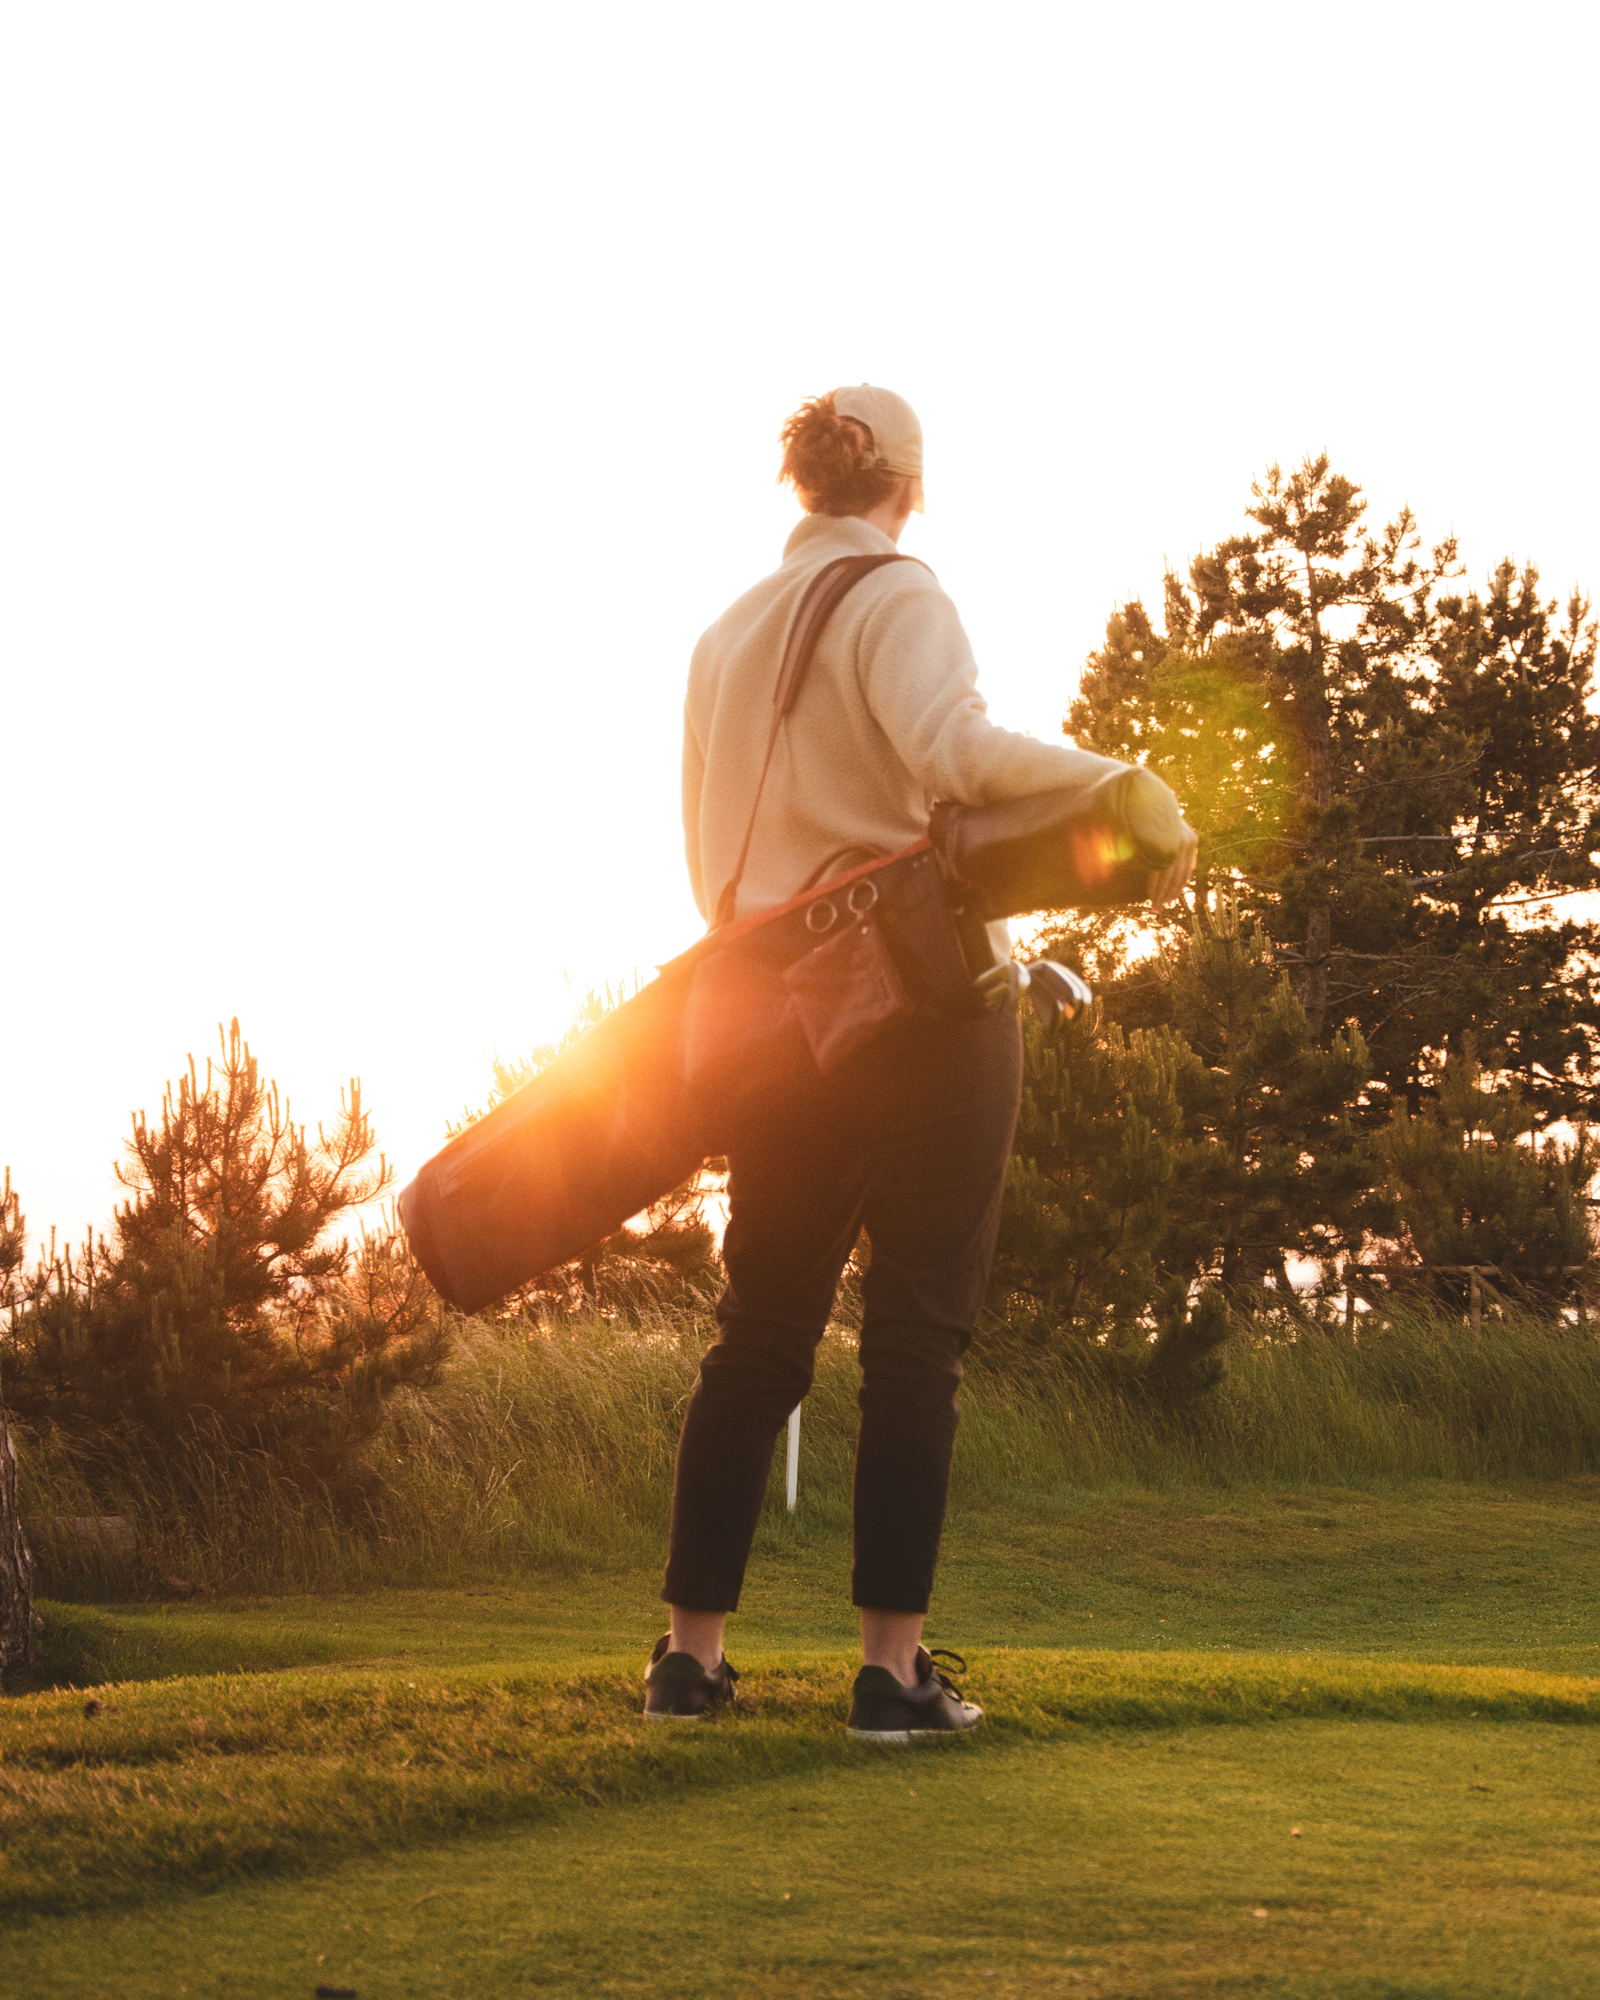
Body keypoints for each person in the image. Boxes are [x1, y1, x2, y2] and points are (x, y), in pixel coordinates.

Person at [644, 385, 1196, 1739]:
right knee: (913, 1343)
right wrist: (1127, 788)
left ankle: (688, 1662)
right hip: (920, 1009)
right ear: (909, 484)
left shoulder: (723, 636)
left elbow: (709, 867)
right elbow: (957, 754)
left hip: (771, 1018)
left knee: (756, 1337)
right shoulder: (899, 592)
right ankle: (891, 1677)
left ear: (804, 482)